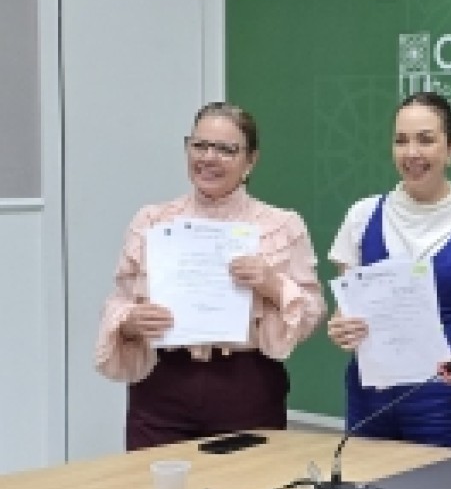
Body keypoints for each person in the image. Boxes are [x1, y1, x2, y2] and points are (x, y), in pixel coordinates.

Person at [95, 102, 327, 450]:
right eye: (199, 145)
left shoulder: (281, 225)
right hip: (162, 385)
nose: (209, 158)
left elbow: (312, 314)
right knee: (154, 483)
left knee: (247, 484)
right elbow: (119, 300)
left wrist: (272, 284)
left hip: (245, 385)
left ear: (250, 161)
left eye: (225, 150)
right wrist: (130, 322)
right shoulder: (152, 221)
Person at [326, 91, 451, 453]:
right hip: (371, 397)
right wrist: (340, 327)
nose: (411, 153)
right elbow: (344, 313)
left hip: (447, 399)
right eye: (401, 141)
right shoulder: (361, 217)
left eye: (426, 140)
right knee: (369, 487)